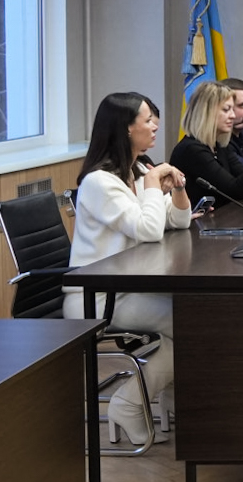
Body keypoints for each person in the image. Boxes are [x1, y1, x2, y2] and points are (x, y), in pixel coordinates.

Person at [62, 92, 192, 447]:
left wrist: (178, 188)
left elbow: (177, 222)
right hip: (97, 298)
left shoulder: (138, 170)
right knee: (192, 325)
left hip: (129, 288)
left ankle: (168, 398)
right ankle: (129, 404)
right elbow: (148, 229)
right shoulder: (99, 182)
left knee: (196, 316)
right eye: (148, 120)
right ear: (125, 128)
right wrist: (152, 187)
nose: (155, 126)